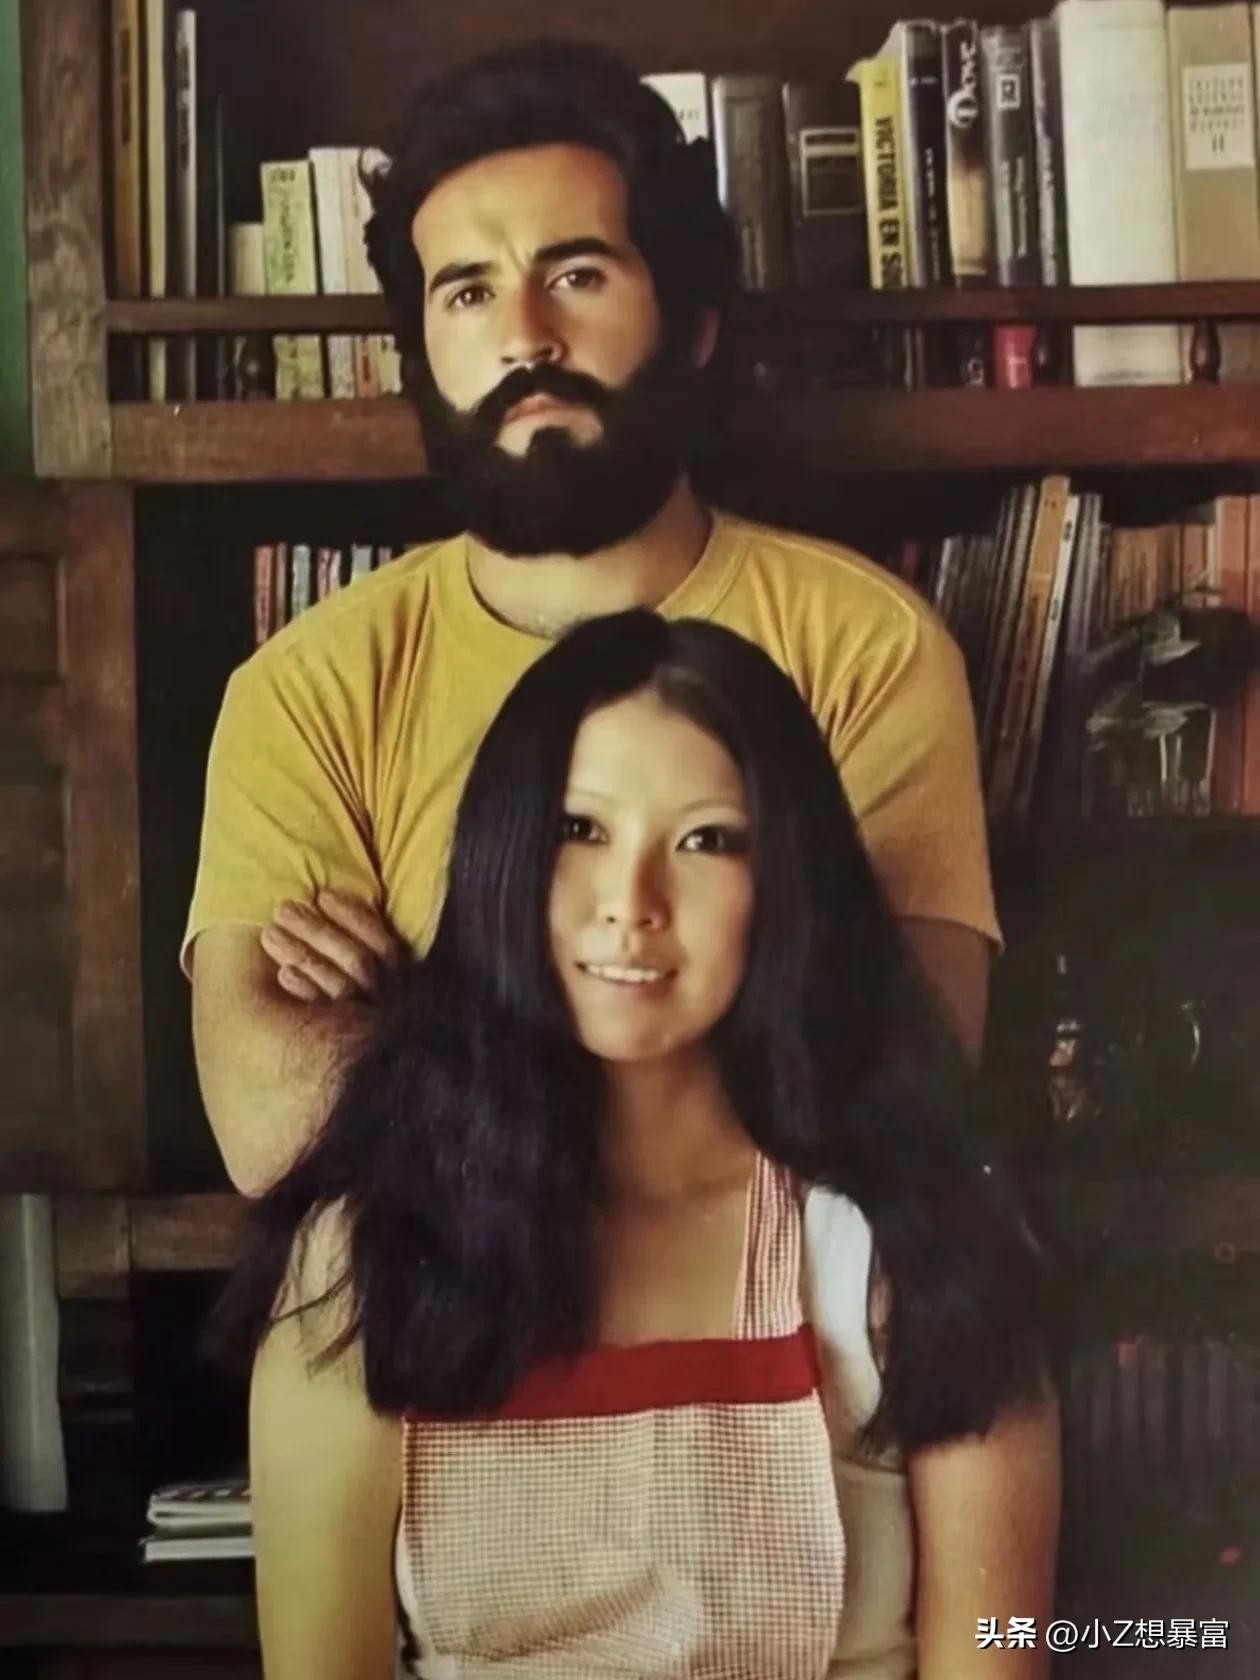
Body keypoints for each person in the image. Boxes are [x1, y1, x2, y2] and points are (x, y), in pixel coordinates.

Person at [186, 39, 1001, 1198]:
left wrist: (420, 1010)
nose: (525, 336)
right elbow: (268, 1130)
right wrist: (715, 1004)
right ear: (420, 352)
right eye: (468, 291)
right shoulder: (307, 691)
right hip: (437, 1312)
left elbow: (895, 1089)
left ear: (694, 323)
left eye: (576, 275)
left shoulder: (864, 648)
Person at [219, 611, 1059, 1680]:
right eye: (580, 829)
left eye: (707, 840)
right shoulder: (367, 1260)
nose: (630, 905)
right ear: (503, 854)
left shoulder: (911, 1248)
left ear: (786, 882)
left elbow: (999, 1653)